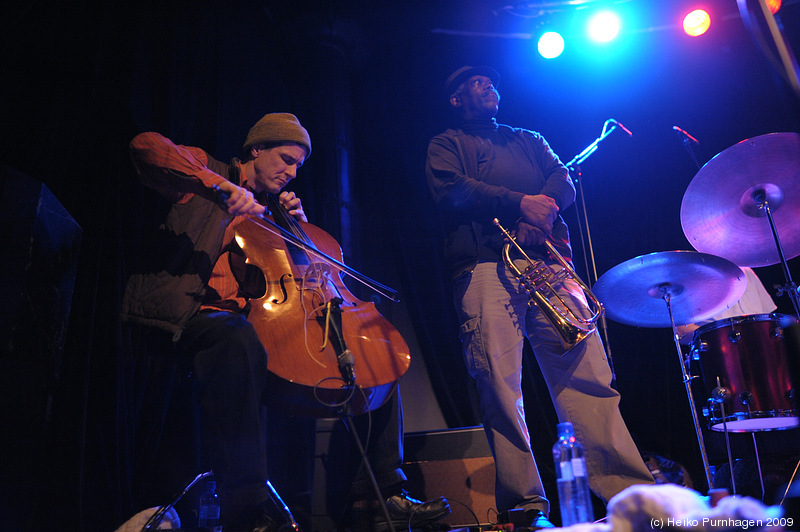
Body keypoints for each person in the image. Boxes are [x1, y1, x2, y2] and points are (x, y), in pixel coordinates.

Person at [122, 112, 450, 532]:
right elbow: (145, 146)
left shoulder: (278, 211)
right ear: (255, 150)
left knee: (377, 349)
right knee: (235, 337)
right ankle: (249, 507)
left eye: (298, 165)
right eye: (284, 158)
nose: (291, 172)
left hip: (265, 321)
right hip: (195, 314)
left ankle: (384, 493)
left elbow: (305, 281)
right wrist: (219, 186)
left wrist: (297, 232)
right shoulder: (207, 172)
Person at [425, 66, 654, 528]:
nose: (490, 85)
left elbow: (561, 179)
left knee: (589, 377)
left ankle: (630, 494)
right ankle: (526, 505)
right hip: (486, 265)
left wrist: (540, 213)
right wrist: (517, 202)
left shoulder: (529, 137)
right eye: (476, 83)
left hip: (547, 263)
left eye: (492, 80)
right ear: (455, 99)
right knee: (500, 387)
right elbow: (451, 189)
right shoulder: (446, 143)